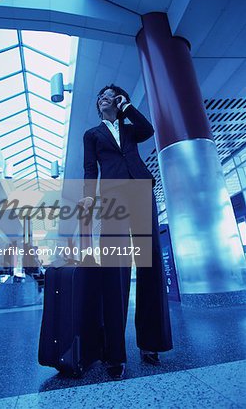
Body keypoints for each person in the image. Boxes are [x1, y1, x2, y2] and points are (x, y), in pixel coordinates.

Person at [80, 84, 173, 380]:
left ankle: (151, 344)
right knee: (115, 269)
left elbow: (149, 130)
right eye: (101, 95)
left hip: (142, 190)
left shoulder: (130, 128)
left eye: (110, 95)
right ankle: (114, 354)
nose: (104, 96)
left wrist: (128, 106)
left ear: (117, 102)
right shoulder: (92, 135)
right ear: (98, 105)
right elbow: (89, 170)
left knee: (150, 267)